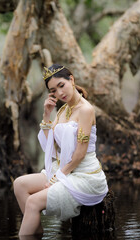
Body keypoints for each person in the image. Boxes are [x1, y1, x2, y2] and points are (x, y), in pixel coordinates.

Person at [13, 64, 108, 236]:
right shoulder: (63, 110)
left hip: (84, 175)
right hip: (64, 169)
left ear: (71, 79)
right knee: (19, 184)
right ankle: (36, 231)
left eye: (61, 85)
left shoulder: (86, 110)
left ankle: (25, 235)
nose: (59, 93)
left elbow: (79, 154)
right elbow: (52, 146)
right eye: (54, 90)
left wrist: (58, 177)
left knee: (33, 202)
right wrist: (46, 115)